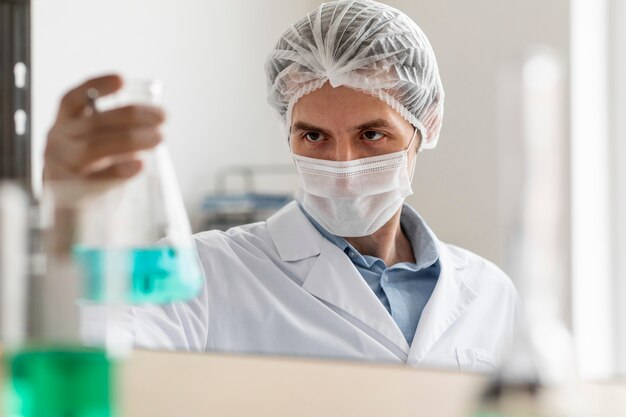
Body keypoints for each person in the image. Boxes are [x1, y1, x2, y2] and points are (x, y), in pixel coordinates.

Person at [45, 0, 519, 372]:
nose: (343, 165)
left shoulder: (489, 293)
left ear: (425, 127)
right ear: (287, 132)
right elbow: (91, 358)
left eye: (371, 135)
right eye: (314, 136)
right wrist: (69, 213)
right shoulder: (205, 274)